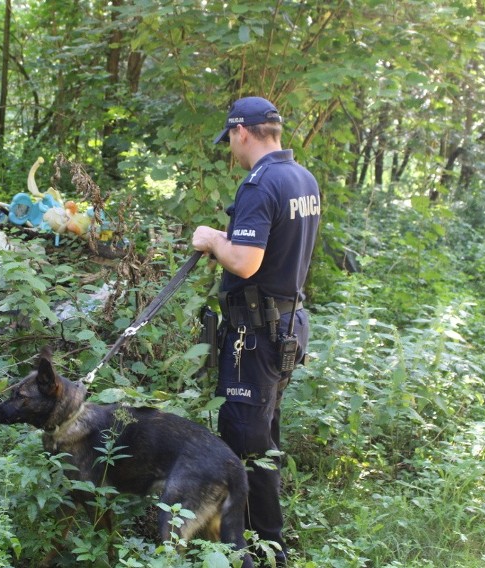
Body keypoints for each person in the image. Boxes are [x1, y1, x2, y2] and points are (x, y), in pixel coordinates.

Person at [192, 96, 320, 567]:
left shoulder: (260, 184)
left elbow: (246, 261)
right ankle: (268, 547)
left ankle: (251, 553)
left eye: (229, 138)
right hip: (284, 329)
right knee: (263, 442)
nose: (230, 147)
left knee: (244, 447)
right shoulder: (302, 178)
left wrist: (211, 239)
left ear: (241, 131)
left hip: (255, 336)